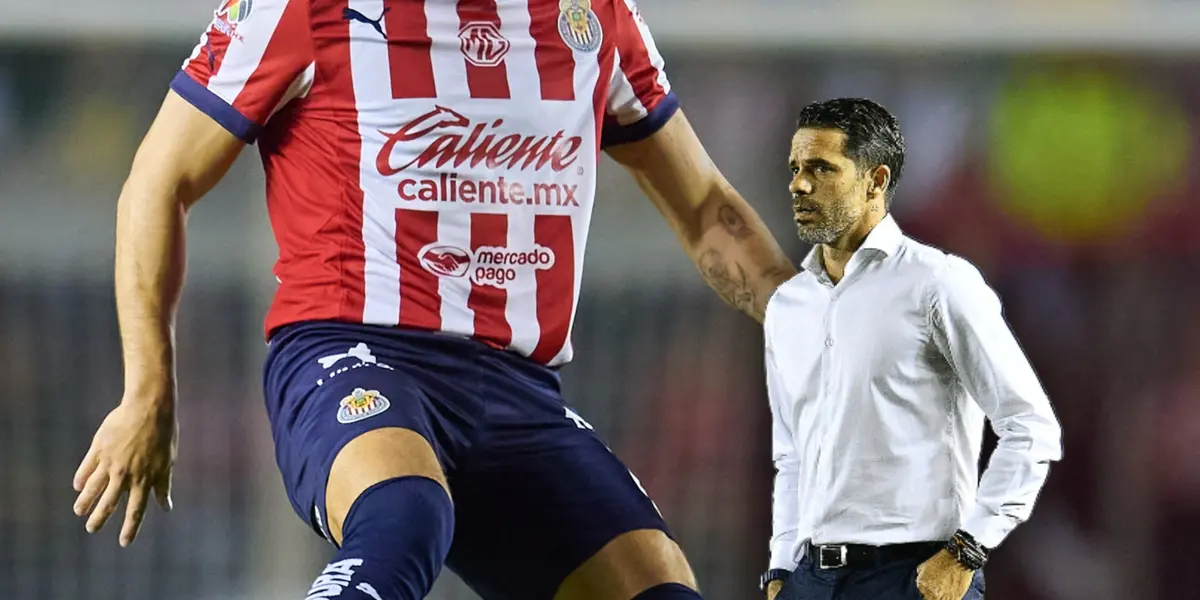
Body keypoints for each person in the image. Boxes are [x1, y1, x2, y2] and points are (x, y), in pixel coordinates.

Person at [69, 1, 796, 599]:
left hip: (520, 392)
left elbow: (704, 208)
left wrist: (821, 327)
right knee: (404, 516)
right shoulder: (308, 9)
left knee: (660, 591)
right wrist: (147, 392)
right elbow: (158, 182)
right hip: (351, 355)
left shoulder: (593, 16)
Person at [759, 98, 1062, 600]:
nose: (799, 185)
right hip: (810, 578)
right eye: (795, 168)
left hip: (913, 573)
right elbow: (791, 455)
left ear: (876, 181)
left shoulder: (938, 283)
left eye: (821, 168)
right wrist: (781, 568)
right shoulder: (790, 305)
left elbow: (1030, 427)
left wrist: (968, 550)